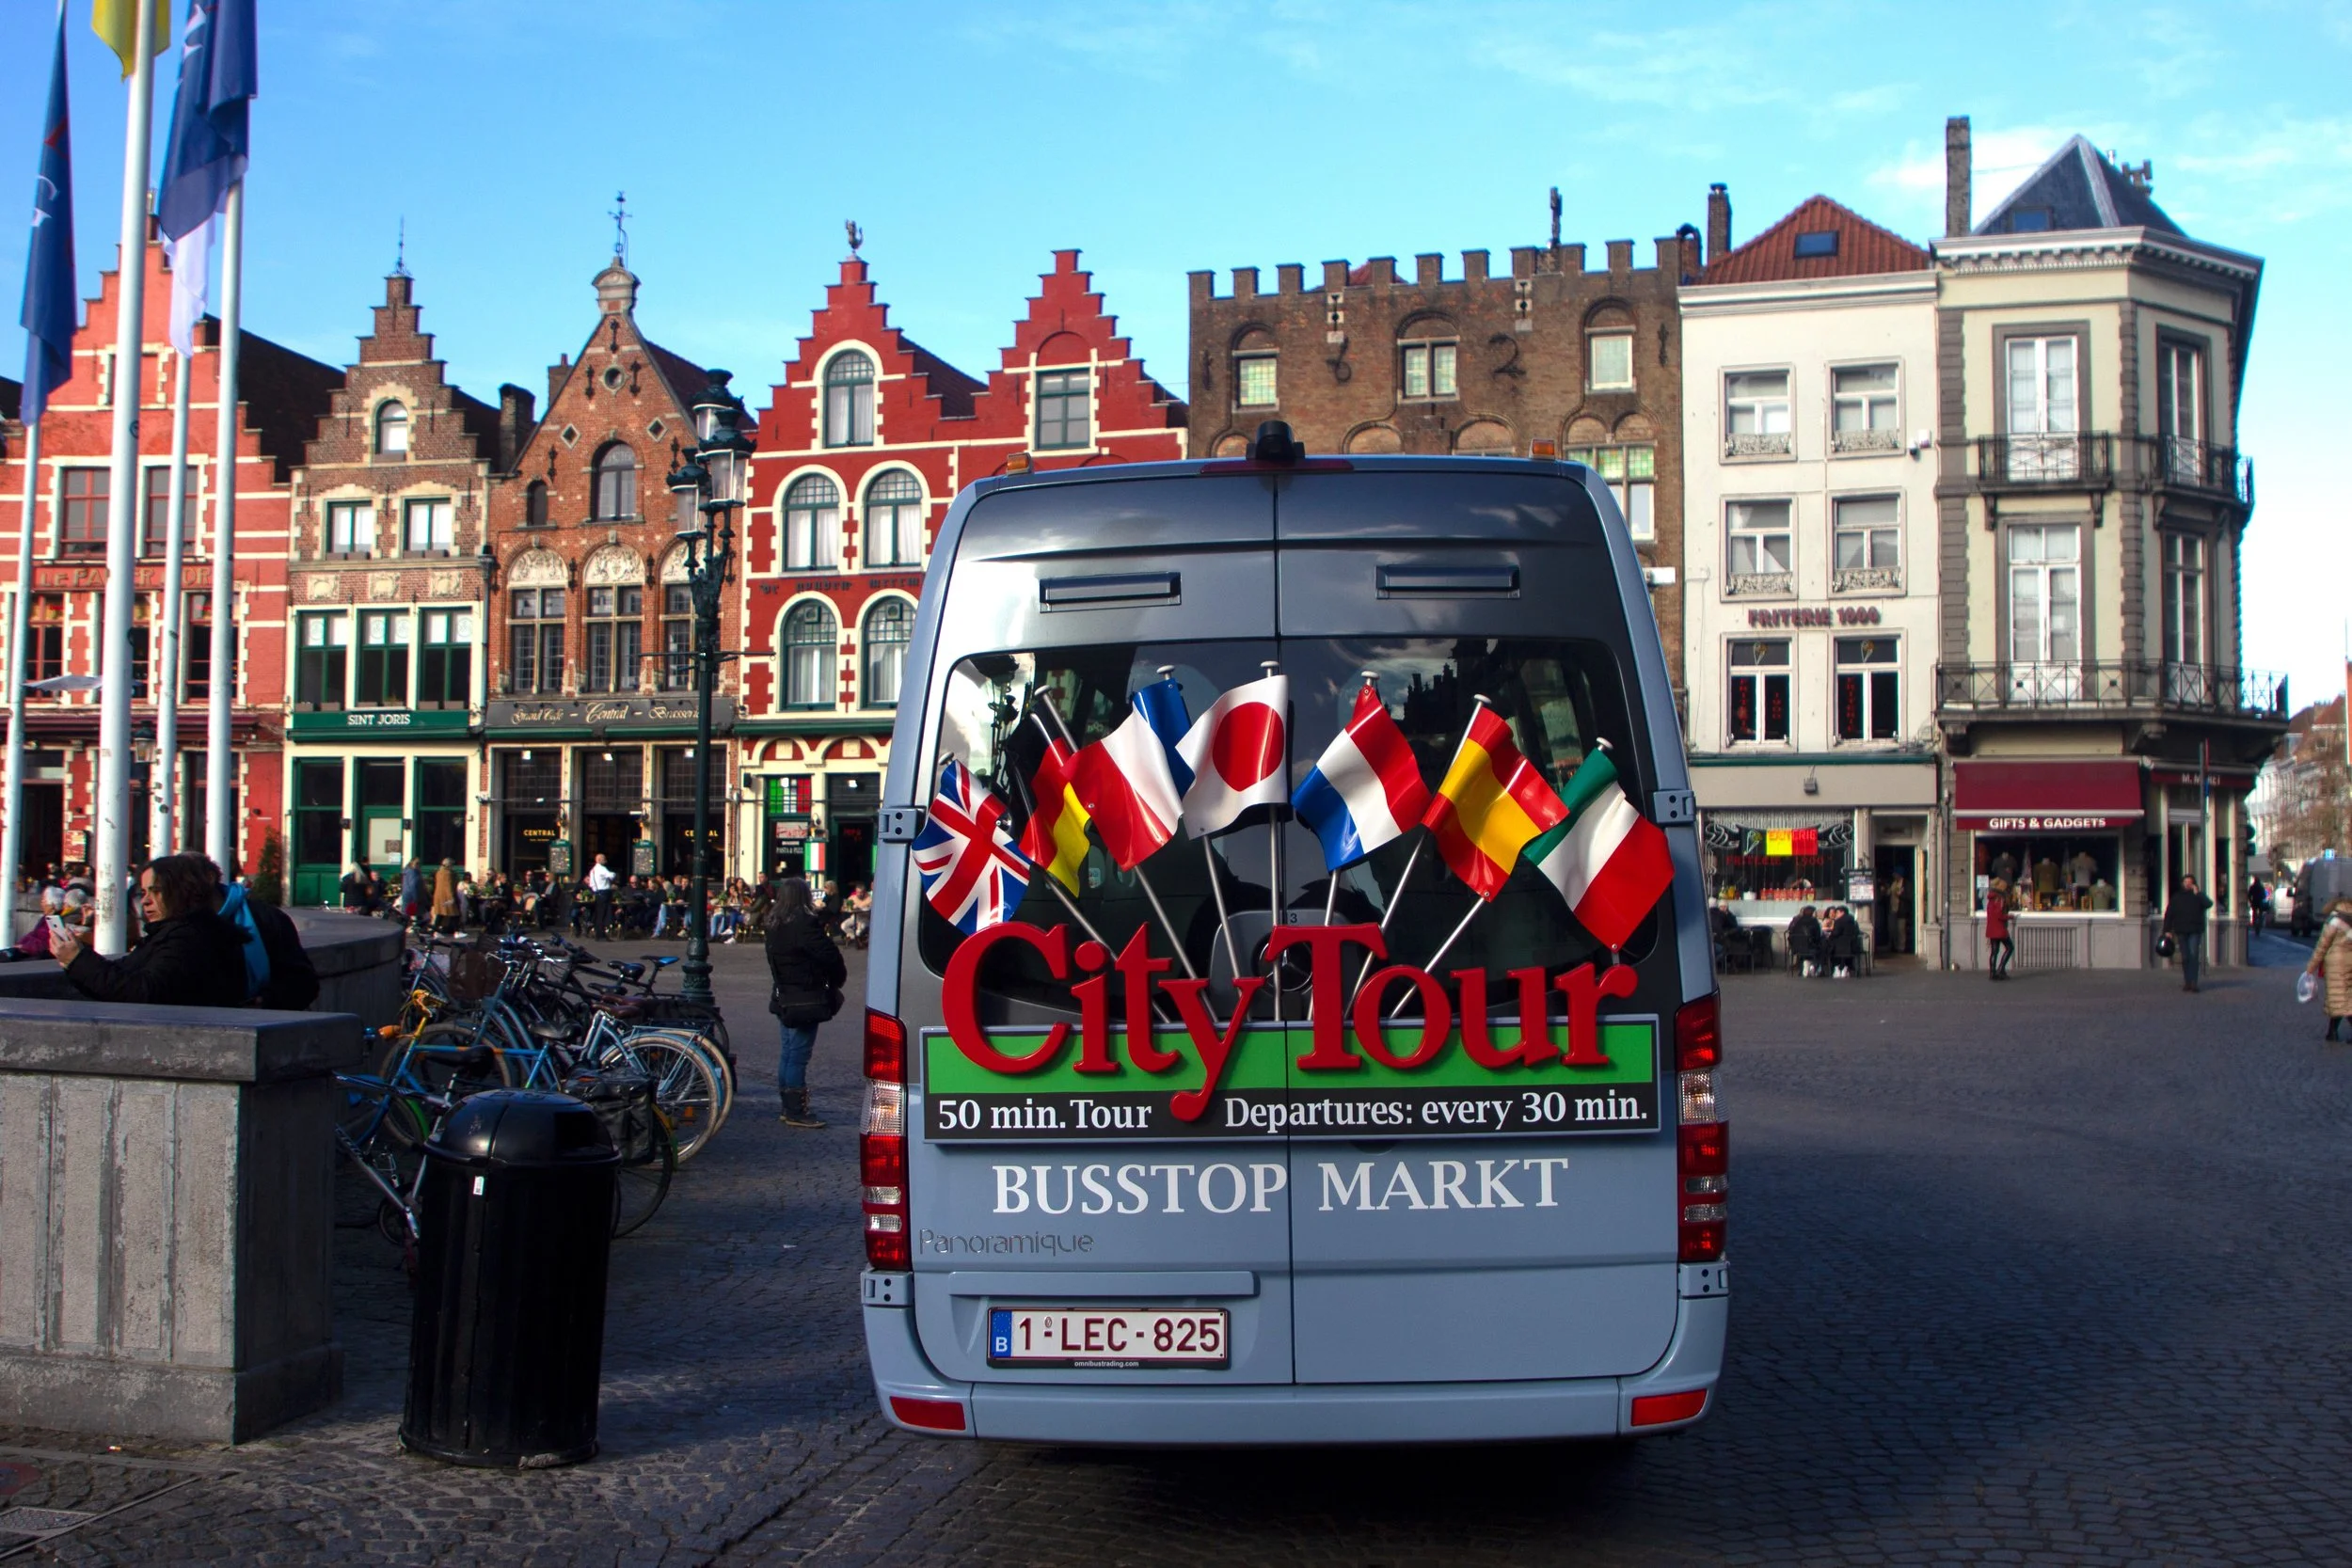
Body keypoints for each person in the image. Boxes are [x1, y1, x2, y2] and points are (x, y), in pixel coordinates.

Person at [52, 854, 248, 1008]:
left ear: (182, 892)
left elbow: (145, 992)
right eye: (144, 892)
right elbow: (122, 974)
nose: (145, 900)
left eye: (156, 891)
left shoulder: (189, 937)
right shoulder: (168, 933)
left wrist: (78, 960)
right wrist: (75, 960)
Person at [767, 877, 845, 1128]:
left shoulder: (774, 923)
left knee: (788, 1052)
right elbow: (829, 955)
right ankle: (795, 1110)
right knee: (798, 1055)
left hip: (784, 994)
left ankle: (787, 1104)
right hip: (805, 996)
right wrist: (835, 979)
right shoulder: (804, 923)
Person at [2307, 899, 2352, 1041]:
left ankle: (2332, 1032)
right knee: (2340, 997)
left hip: (2336, 964)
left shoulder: (2334, 921)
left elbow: (2322, 946)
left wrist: (2310, 968)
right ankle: (2332, 1032)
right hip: (2349, 962)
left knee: (2341, 999)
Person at [2163, 874, 2213, 993]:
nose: (2188, 884)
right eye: (2186, 882)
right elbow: (2169, 914)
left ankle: (2194, 983)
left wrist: (2198, 894)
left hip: (2195, 930)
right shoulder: (2177, 897)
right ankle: (2187, 982)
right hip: (2181, 930)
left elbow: (2209, 904)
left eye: (2190, 882)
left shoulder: (2198, 896)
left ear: (2194, 884)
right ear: (2182, 883)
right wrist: (2167, 930)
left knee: (2193, 955)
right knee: (2185, 957)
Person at [1984, 878, 2013, 981]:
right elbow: (1999, 915)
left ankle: (1992, 973)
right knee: (2010, 948)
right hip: (2000, 928)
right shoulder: (2000, 898)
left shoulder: (1991, 898)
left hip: (1991, 928)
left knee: (1994, 951)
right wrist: (2010, 917)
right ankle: (2001, 969)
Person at [585, 852, 616, 939]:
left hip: (598, 893)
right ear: (599, 860)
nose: (606, 860)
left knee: (599, 914)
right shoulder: (602, 868)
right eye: (604, 859)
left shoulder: (593, 870)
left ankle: (599, 934)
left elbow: (591, 884)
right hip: (604, 893)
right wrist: (614, 874)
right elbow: (611, 876)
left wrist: (596, 891)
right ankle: (602, 934)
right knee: (604, 914)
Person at [1824, 905, 1862, 978]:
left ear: (1842, 912)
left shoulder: (1839, 921)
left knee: (1828, 947)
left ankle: (1837, 968)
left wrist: (1830, 936)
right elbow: (1857, 932)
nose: (1836, 915)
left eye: (1837, 913)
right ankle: (1846, 968)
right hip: (1853, 947)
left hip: (1839, 948)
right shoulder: (1853, 921)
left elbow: (1836, 933)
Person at [1787, 904, 1822, 978]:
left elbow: (1791, 933)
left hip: (1796, 948)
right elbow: (1818, 936)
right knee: (1823, 947)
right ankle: (1815, 967)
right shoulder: (1814, 921)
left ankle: (1805, 967)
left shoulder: (1797, 921)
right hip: (1809, 947)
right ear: (1812, 913)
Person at [432, 859, 463, 935]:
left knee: (440, 914)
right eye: (452, 865)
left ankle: (435, 931)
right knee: (455, 914)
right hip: (447, 897)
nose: (453, 867)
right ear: (449, 865)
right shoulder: (448, 874)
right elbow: (448, 887)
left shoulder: (439, 872)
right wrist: (452, 897)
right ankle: (457, 932)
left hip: (439, 896)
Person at [400, 857, 425, 929]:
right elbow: (413, 885)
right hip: (412, 896)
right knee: (414, 913)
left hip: (407, 895)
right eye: (418, 864)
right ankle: (420, 928)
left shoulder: (407, 871)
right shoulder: (413, 872)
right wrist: (415, 897)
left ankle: (404, 928)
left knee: (408, 913)